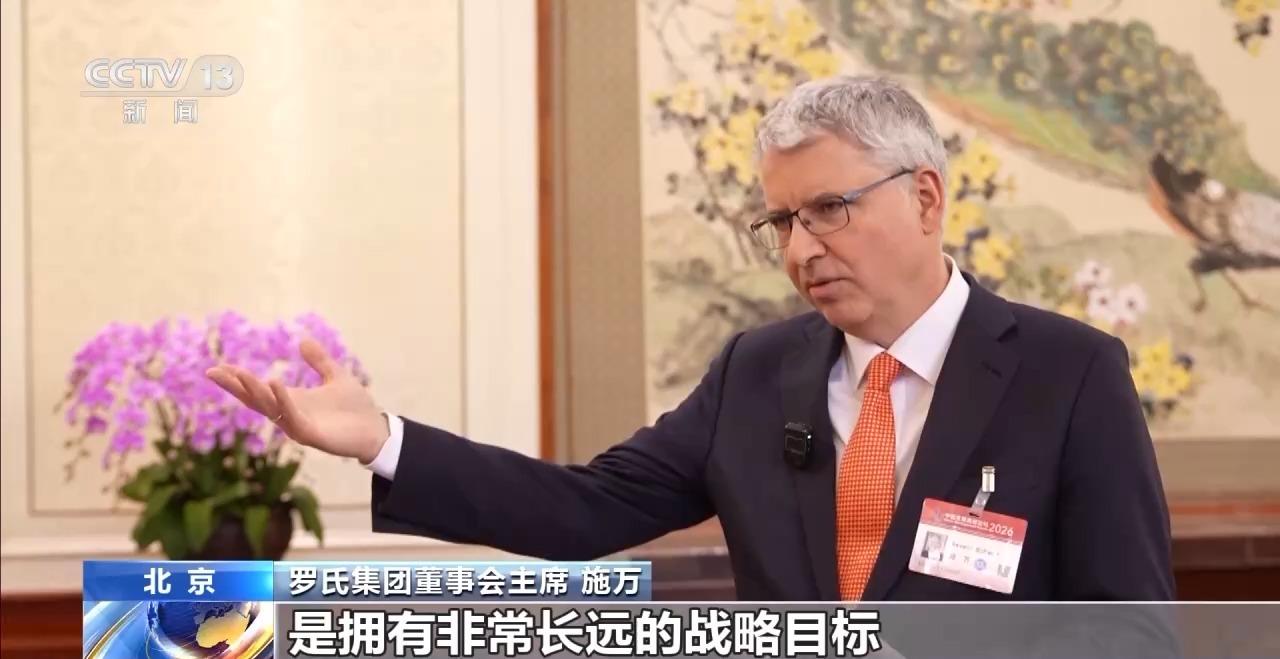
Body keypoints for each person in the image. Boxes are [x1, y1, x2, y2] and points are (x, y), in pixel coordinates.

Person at [207, 75, 1174, 601]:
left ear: (926, 198)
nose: (801, 249)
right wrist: (383, 439)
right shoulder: (757, 372)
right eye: (781, 221)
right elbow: (582, 509)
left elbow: (1130, 634)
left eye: (829, 209)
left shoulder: (1070, 374)